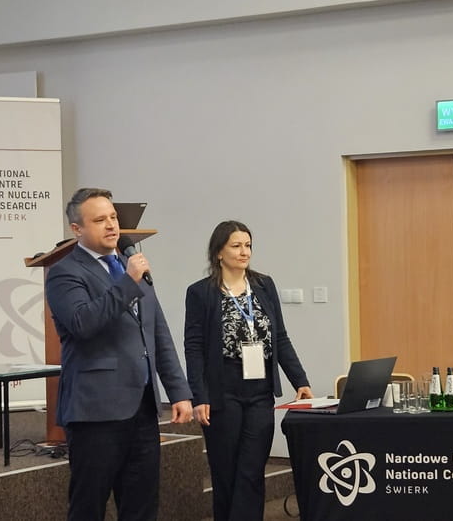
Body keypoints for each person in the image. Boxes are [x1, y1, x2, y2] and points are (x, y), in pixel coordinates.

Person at [45, 187, 193, 520]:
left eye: (113, 217)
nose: (112, 225)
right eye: (100, 220)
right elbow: (83, 323)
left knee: (142, 505)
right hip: (95, 411)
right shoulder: (65, 272)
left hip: (142, 408)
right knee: (89, 506)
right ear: (77, 229)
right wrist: (128, 282)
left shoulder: (130, 266)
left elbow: (157, 332)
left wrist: (179, 391)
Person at [184, 220, 313, 521]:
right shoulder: (201, 292)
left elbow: (280, 337)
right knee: (226, 470)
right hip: (223, 388)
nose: (244, 252)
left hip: (260, 388)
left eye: (248, 245)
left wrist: (300, 380)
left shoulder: (264, 285)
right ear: (219, 252)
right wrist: (199, 396)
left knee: (252, 469)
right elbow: (194, 347)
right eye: (236, 246)